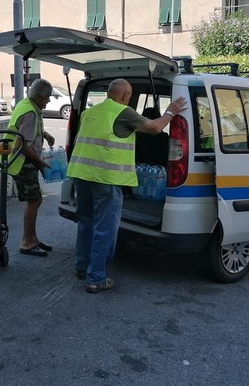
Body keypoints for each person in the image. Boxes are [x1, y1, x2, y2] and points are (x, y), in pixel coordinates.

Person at [67, 78, 187, 293]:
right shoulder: (123, 111)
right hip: (106, 179)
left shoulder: (89, 112)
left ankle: (82, 267)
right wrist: (170, 111)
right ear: (126, 96)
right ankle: (96, 278)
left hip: (80, 174)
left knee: (86, 222)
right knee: (105, 229)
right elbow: (154, 128)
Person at [5, 78, 55, 257]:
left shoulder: (26, 104)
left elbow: (24, 130)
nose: (49, 101)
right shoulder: (31, 113)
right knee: (34, 201)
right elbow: (21, 145)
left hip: (22, 162)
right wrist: (40, 162)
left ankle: (33, 238)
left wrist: (45, 134)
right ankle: (27, 242)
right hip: (21, 163)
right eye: (47, 98)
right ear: (40, 97)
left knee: (35, 200)